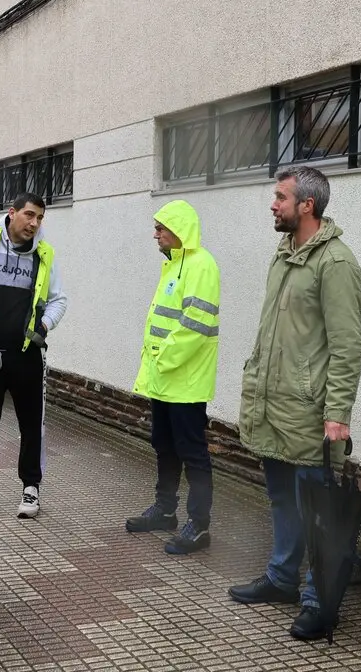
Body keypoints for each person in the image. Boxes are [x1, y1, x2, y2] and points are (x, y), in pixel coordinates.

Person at [227, 165, 361, 641]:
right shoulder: (283, 255)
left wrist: (337, 415)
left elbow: (347, 346)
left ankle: (317, 601)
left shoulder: (336, 264)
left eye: (280, 197)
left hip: (309, 414)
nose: (273, 204)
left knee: (316, 510)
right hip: (272, 405)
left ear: (307, 205)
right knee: (282, 497)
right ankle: (282, 579)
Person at [0, 192, 66, 519]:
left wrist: (43, 328)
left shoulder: (45, 255)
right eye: (29, 215)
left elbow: (59, 299)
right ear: (12, 213)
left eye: (40, 218)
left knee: (32, 424)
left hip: (26, 356)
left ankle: (31, 488)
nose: (34, 223)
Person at [126, 200, 221, 554]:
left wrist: (161, 359)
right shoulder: (174, 266)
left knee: (192, 452)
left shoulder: (202, 265)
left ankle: (199, 525)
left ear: (179, 231)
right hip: (165, 380)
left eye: (160, 228)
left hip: (186, 382)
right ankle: (165, 511)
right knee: (164, 446)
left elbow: (196, 324)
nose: (155, 234)